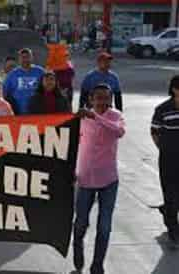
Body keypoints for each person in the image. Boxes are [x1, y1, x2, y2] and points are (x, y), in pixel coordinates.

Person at [73, 83, 126, 274]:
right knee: (81, 223)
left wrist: (95, 117)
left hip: (108, 179)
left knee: (104, 227)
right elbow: (70, 143)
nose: (103, 101)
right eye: (99, 98)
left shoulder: (116, 116)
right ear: (91, 99)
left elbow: (118, 132)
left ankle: (97, 264)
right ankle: (77, 244)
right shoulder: (81, 118)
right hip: (85, 178)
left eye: (106, 98)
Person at [151, 75, 179, 248]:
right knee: (170, 192)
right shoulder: (163, 109)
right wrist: (163, 148)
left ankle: (167, 210)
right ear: (174, 89)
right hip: (168, 157)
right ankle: (172, 229)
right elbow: (154, 131)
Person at [4, 48, 45, 115]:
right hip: (18, 112)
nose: (25, 60)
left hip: (37, 112)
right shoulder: (12, 74)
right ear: (19, 59)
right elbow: (5, 92)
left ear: (32, 58)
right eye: (23, 57)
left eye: (27, 57)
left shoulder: (40, 71)